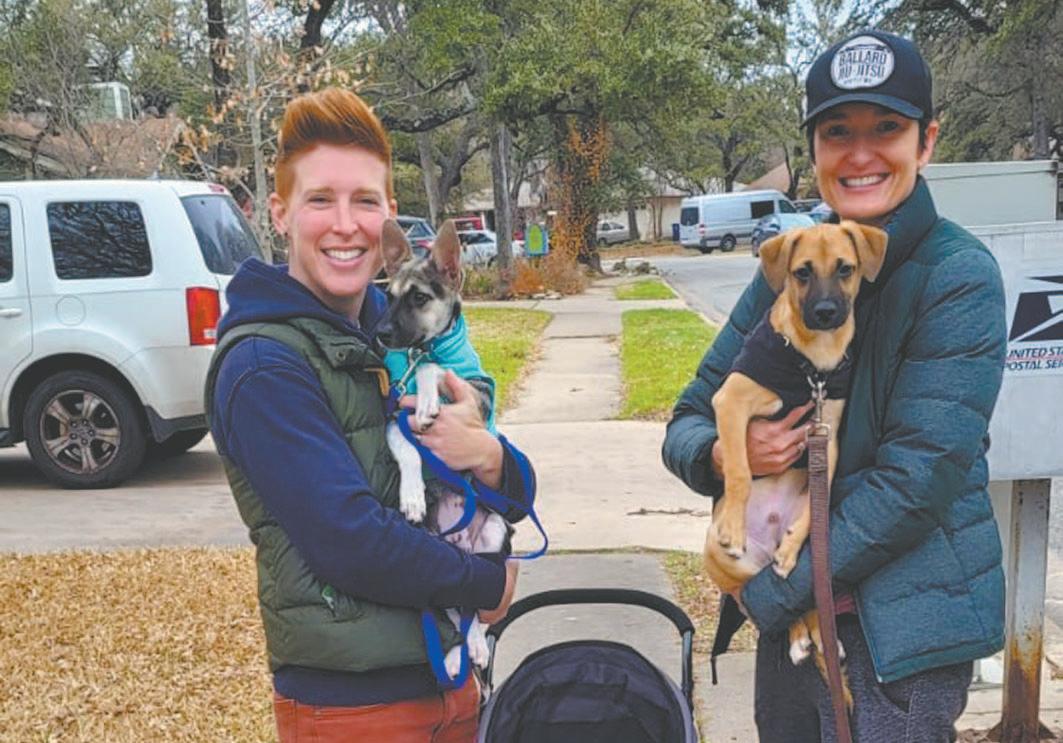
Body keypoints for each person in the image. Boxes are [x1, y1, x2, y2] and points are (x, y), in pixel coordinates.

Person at [663, 30, 1006, 741]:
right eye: (836, 132)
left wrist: (771, 591)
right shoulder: (795, 263)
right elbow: (691, 414)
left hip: (899, 632)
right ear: (814, 151)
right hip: (793, 616)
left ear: (926, 141)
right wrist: (725, 454)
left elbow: (916, 481)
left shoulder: (957, 276)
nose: (859, 153)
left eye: (886, 128)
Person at [205, 87, 534, 742]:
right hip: (355, 708)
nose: (345, 224)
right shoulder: (264, 366)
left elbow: (514, 494)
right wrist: (485, 582)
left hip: (449, 682)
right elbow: (350, 541)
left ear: (388, 217)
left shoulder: (394, 334)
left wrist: (494, 459)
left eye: (364, 201)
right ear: (280, 213)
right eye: (320, 200)